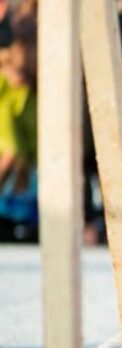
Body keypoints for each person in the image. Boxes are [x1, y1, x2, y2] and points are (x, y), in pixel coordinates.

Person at [0, 0, 38, 243]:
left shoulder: (36, 18)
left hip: (29, 95)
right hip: (6, 94)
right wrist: (9, 70)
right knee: (10, 151)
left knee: (26, 156)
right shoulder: (10, 16)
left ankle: (21, 213)